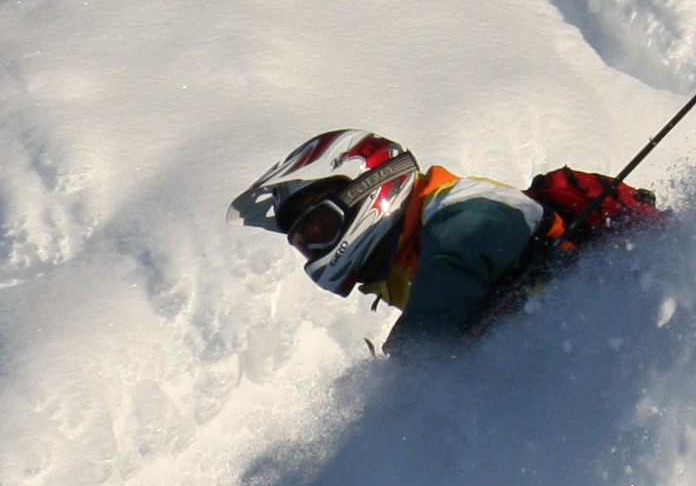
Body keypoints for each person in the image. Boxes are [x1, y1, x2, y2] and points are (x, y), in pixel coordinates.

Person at [228, 129, 579, 348]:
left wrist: (411, 362)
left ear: (369, 188)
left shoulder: (457, 201)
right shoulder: (397, 268)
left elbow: (467, 243)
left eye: (322, 226)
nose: (318, 245)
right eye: (307, 241)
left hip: (588, 323)